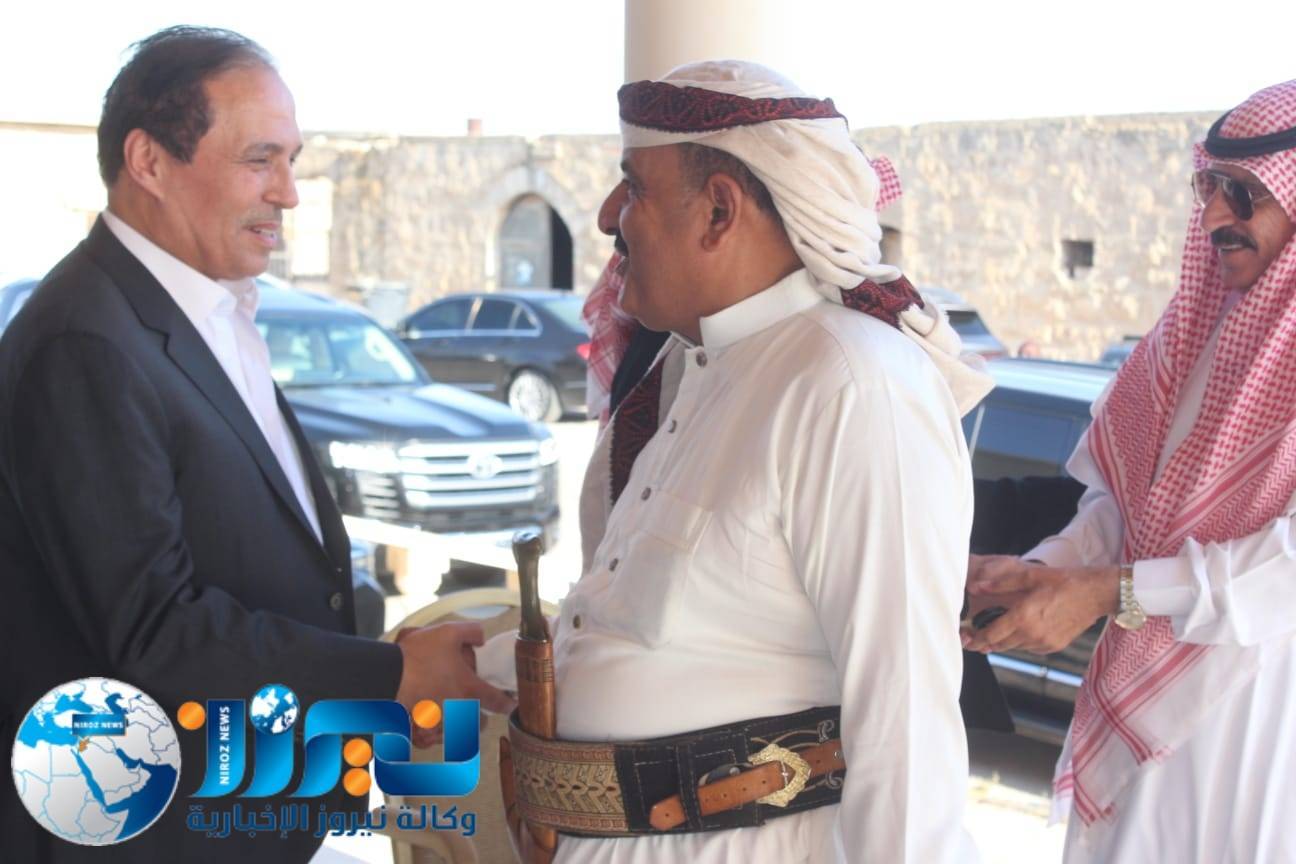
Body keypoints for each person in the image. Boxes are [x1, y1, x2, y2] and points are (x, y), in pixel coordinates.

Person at [0, 27, 510, 864]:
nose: (289, 193)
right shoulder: (84, 343)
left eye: (292, 160)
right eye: (258, 160)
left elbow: (248, 557)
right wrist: (388, 677)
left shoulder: (207, 309)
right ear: (149, 161)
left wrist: (374, 658)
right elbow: (155, 629)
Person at [487, 60, 992, 864]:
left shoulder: (852, 382)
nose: (609, 215)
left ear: (719, 210)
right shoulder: (692, 369)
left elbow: (904, 726)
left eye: (634, 186)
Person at [963, 79, 1296, 863]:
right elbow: (1125, 504)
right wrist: (1046, 570)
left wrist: (1110, 592)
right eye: (1209, 187)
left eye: (1245, 193)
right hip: (1147, 726)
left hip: (1257, 719)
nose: (1214, 217)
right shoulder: (1187, 334)